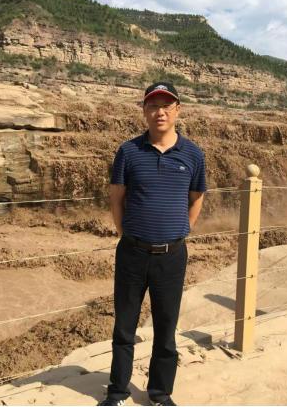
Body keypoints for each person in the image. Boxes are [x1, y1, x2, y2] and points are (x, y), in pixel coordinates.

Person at [98, 83, 207, 407]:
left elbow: (196, 198)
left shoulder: (193, 154)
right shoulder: (128, 151)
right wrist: (126, 235)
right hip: (132, 253)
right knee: (124, 327)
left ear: (177, 110)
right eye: (153, 105)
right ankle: (117, 392)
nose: (160, 111)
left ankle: (160, 394)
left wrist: (180, 231)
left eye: (166, 105)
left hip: (171, 257)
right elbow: (116, 199)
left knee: (166, 328)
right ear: (144, 111)